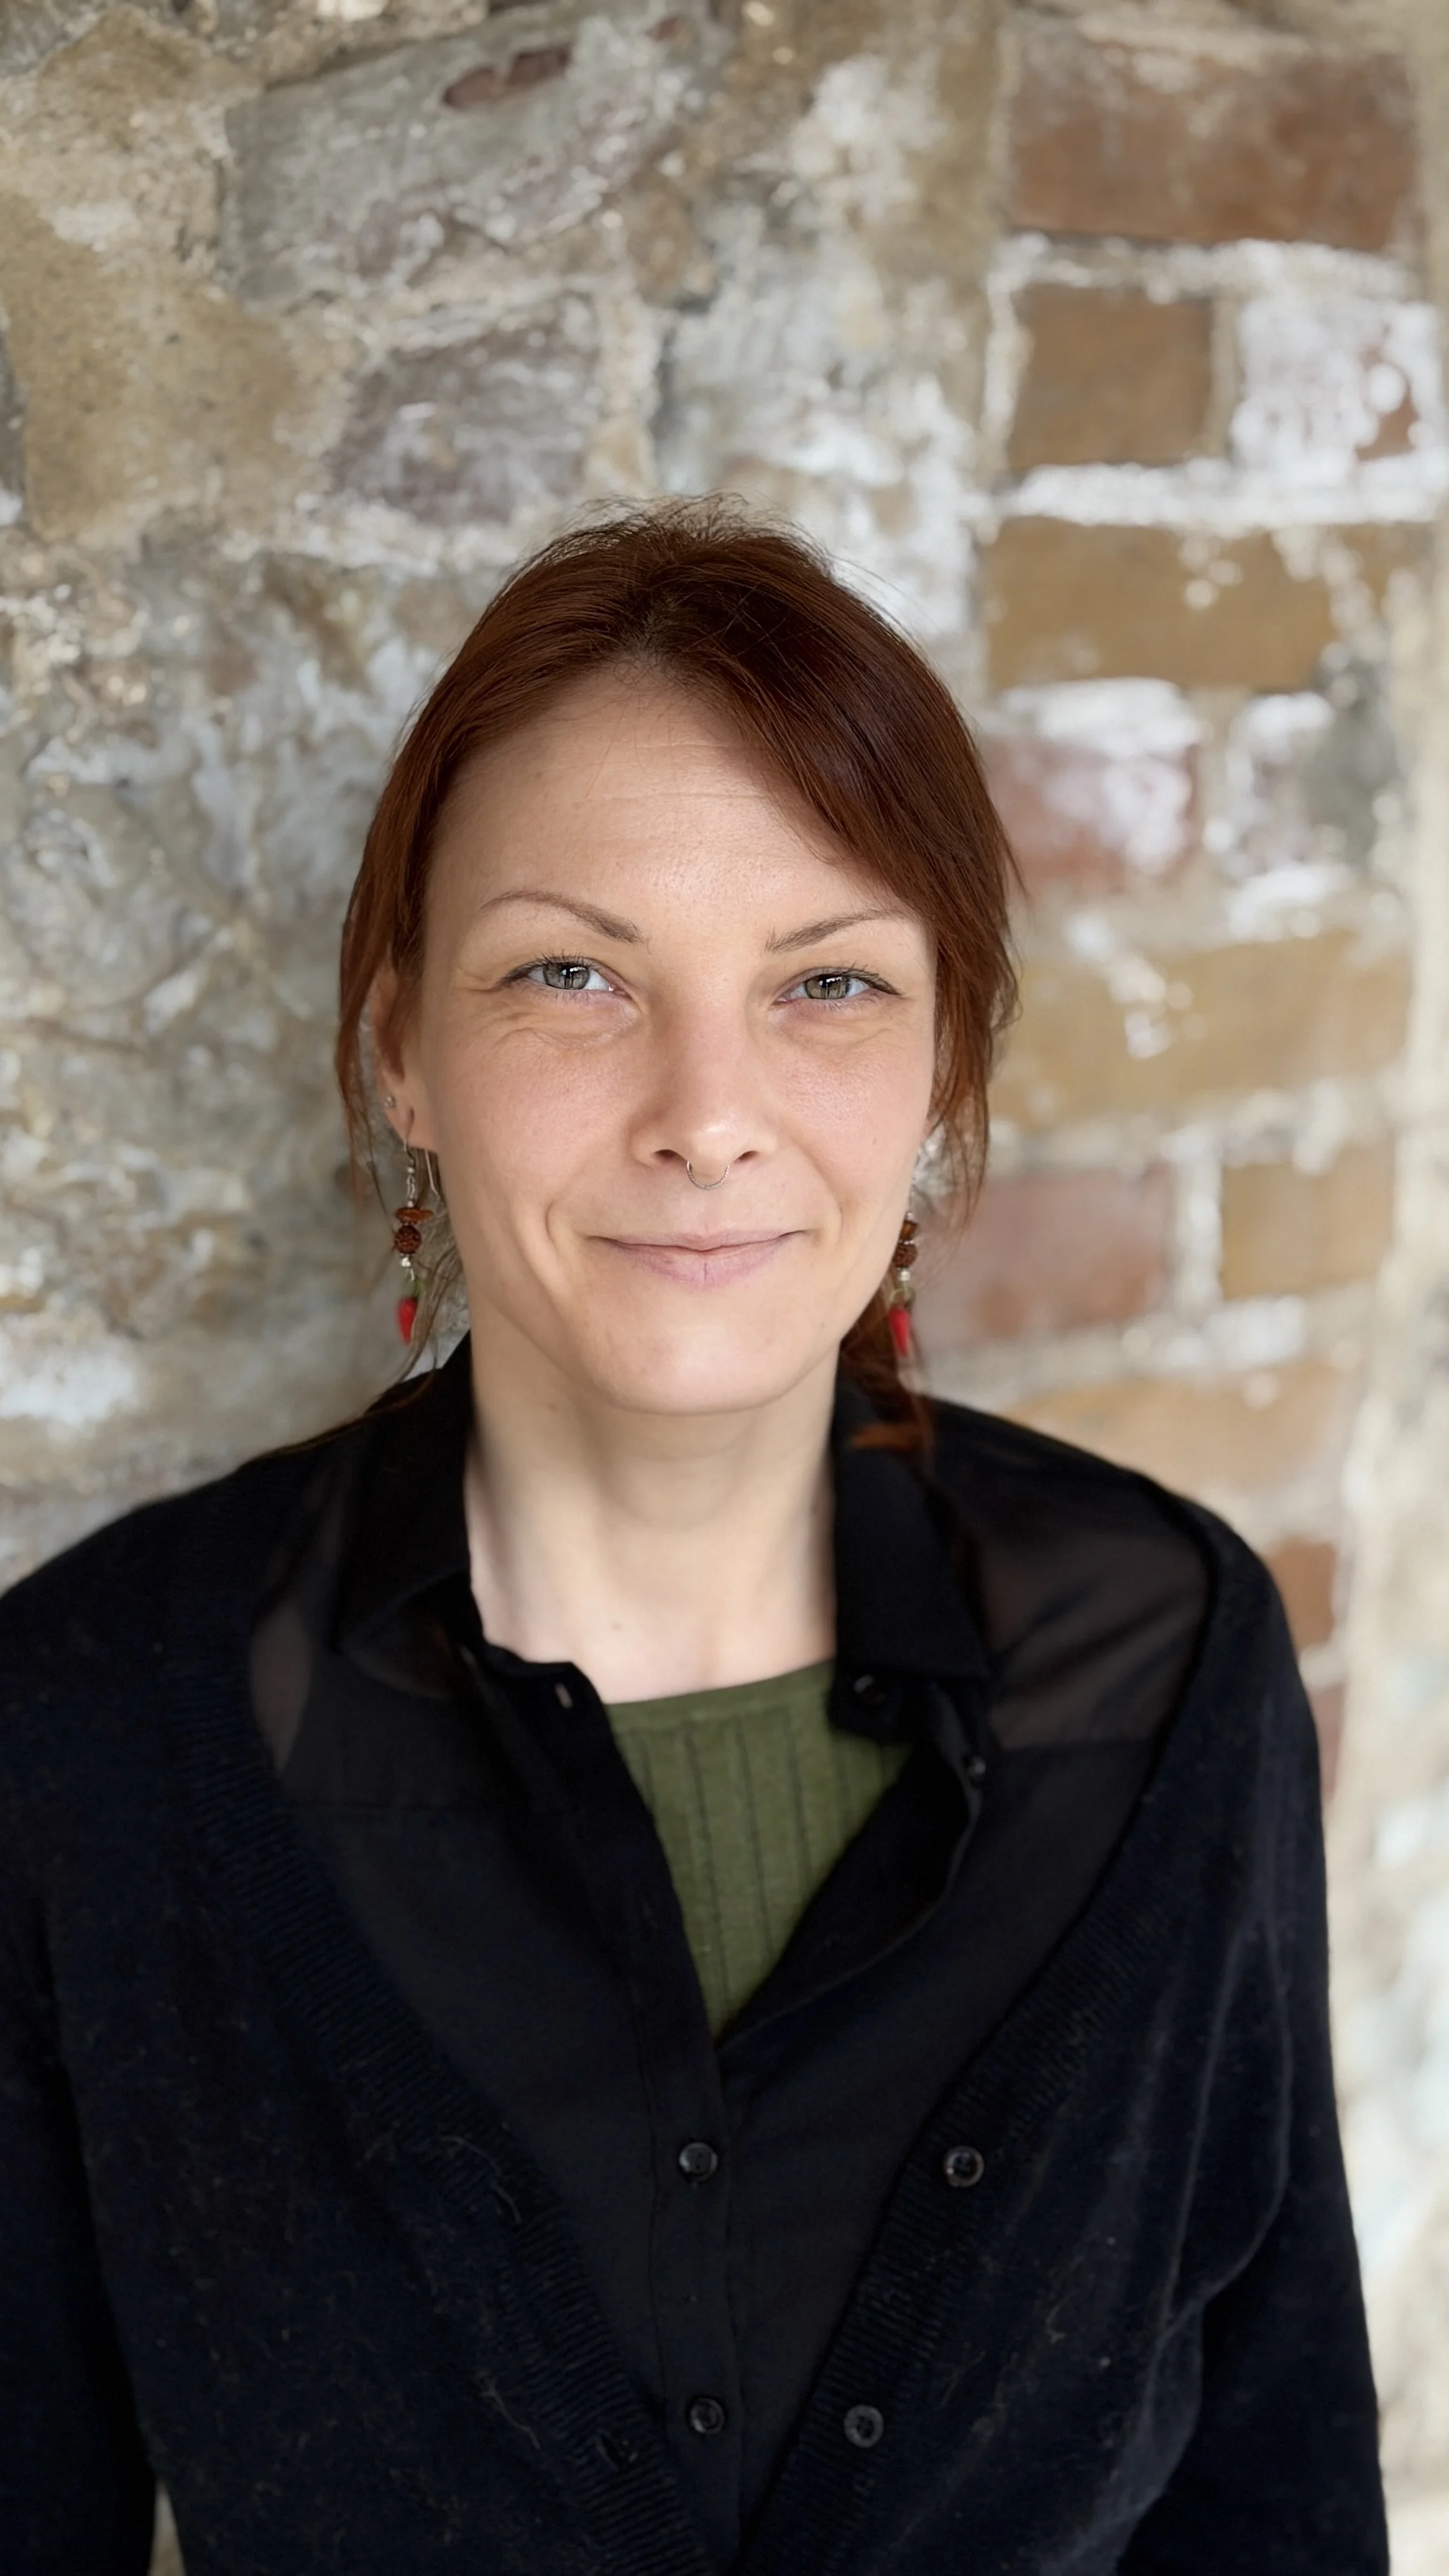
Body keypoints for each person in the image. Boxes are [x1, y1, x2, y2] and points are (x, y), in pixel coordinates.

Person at [0, 505, 1386, 2576]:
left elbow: (1269, 2500)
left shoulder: (1168, 1658)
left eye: (825, 981)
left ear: (940, 1065)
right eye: (570, 974)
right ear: (403, 1050)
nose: (706, 1110)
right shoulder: (94, 1723)